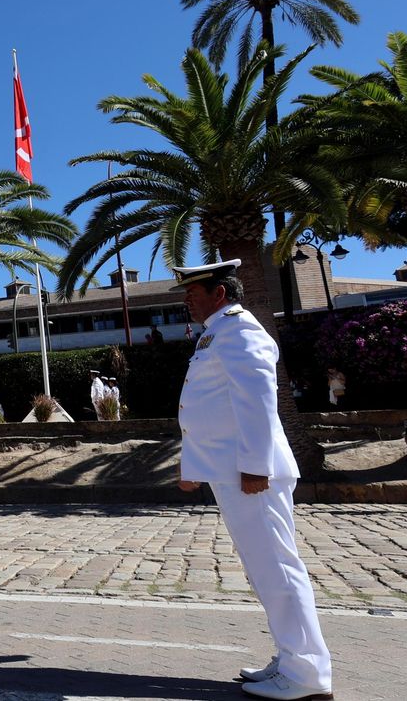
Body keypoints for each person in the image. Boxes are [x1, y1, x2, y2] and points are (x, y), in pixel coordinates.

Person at [172, 259, 332, 701]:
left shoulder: (240, 330)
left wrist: (256, 467)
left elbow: (258, 400)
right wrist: (193, 469)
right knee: (267, 570)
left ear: (219, 293)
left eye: (193, 293)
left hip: (252, 475)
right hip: (235, 471)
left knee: (278, 569)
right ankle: (292, 657)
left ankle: (306, 676)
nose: (187, 300)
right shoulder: (219, 331)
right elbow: (214, 407)